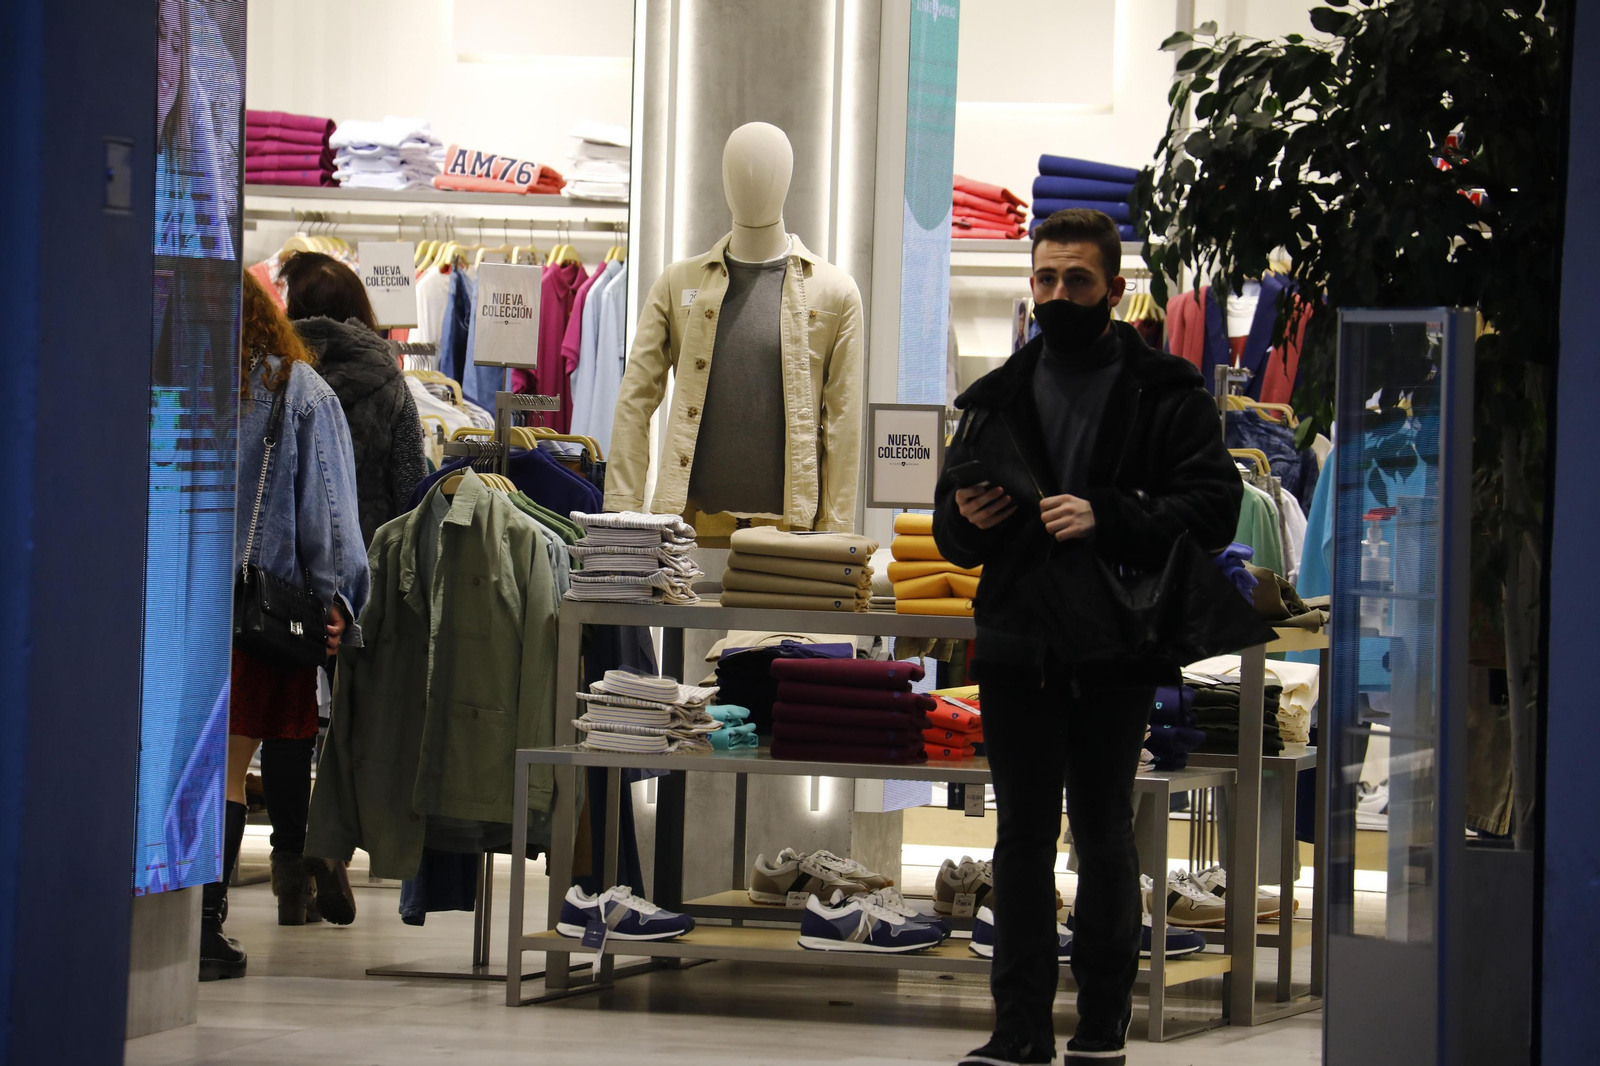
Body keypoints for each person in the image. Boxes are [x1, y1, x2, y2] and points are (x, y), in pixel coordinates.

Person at [934, 209, 1244, 1065]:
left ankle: (1103, 1024)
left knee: (1104, 832)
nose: (1058, 294)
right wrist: (966, 519)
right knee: (1021, 840)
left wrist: (1109, 514)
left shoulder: (1166, 391)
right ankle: (1019, 1029)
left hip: (1116, 643)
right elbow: (951, 533)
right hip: (1017, 644)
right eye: (1045, 278)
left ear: (1114, 287)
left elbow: (1215, 508)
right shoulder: (994, 397)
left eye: (1077, 279)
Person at [250, 251, 425, 927]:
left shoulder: (271, 374)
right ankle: (337, 846)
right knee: (357, 718)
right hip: (365, 572)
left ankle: (291, 866)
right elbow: (411, 485)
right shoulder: (386, 376)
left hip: (282, 579)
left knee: (289, 721)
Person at [203, 273, 370, 980]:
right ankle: (203, 927)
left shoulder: (173, 382)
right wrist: (339, 601)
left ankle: (171, 920)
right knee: (230, 767)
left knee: (190, 767)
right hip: (256, 616)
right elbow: (329, 516)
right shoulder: (296, 391)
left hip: (178, 607)